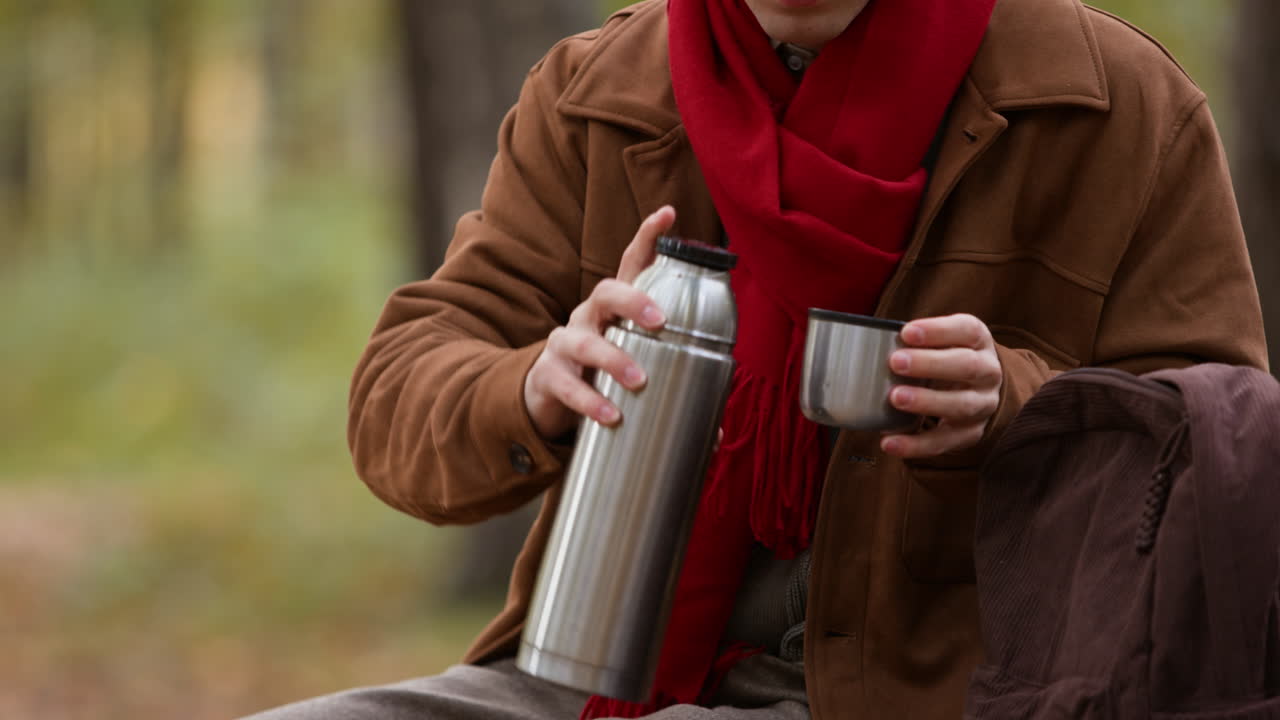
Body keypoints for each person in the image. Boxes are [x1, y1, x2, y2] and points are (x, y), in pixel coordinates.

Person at [247, 0, 1267, 718]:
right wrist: (530, 383)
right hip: (591, 677)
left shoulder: (1112, 104)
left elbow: (1224, 451)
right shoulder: (595, 95)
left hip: (957, 688)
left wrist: (1016, 404)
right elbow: (398, 386)